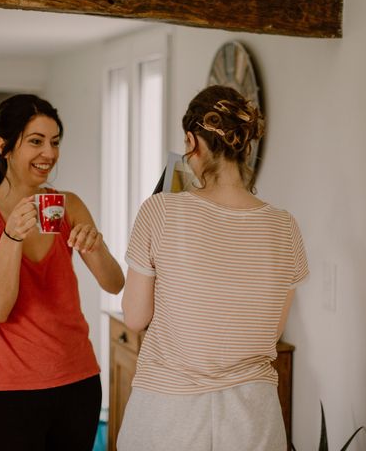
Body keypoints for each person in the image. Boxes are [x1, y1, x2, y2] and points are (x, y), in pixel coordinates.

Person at [117, 85, 309, 451]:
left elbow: (136, 317)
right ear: (245, 144)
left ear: (192, 141)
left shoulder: (160, 211)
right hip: (253, 418)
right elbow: (272, 328)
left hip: (167, 414)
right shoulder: (285, 226)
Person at [0, 94, 125, 451]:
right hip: (10, 387)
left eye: (55, 141)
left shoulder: (68, 204)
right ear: (4, 147)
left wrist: (96, 244)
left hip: (78, 380)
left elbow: (114, 282)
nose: (49, 153)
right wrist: (12, 236)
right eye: (36, 141)